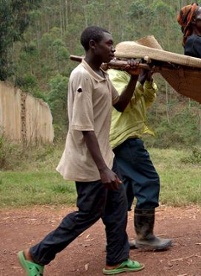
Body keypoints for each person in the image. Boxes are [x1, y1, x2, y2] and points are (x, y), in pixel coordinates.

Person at [17, 26, 145, 275]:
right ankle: (36, 254)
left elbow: (120, 104)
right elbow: (84, 127)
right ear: (93, 45)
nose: (113, 48)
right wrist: (103, 170)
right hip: (90, 161)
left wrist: (133, 77)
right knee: (87, 214)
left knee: (117, 206)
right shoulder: (81, 76)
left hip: (105, 156)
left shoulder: (102, 75)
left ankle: (116, 259)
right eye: (109, 44)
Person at [108, 64, 173, 251]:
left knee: (124, 190)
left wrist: (148, 78)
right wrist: (139, 78)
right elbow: (124, 103)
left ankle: (116, 239)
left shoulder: (128, 77)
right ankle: (145, 236)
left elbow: (146, 100)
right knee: (148, 181)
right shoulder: (114, 76)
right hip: (125, 138)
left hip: (121, 139)